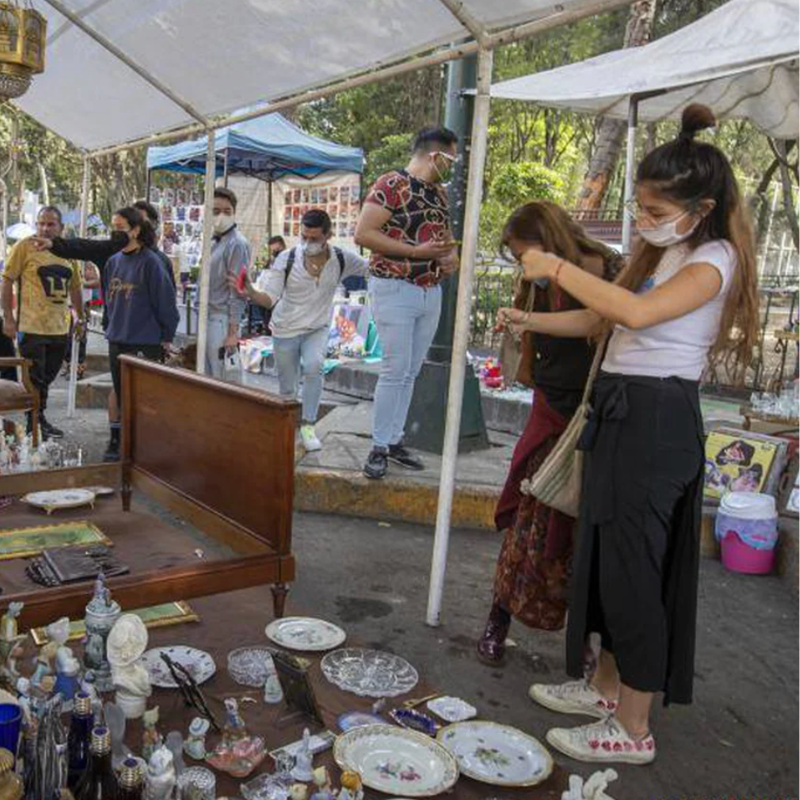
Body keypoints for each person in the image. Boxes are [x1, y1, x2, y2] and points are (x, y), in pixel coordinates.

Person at [499, 105, 757, 764]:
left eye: (652, 208)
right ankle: (607, 687)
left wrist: (555, 267)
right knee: (607, 561)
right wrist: (528, 322)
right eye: (638, 206)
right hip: (620, 411)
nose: (642, 218)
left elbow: (636, 314)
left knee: (635, 572)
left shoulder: (715, 259)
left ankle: (633, 727)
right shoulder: (665, 252)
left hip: (656, 420)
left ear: (700, 206)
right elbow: (599, 321)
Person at [477, 202, 624, 667]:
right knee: (527, 525)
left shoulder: (599, 268)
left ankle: (580, 638)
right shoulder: (535, 280)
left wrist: (529, 321)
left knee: (579, 537)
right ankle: (498, 617)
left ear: (548, 243)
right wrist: (520, 321)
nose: (524, 267)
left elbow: (595, 322)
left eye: (525, 256)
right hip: (549, 408)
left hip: (590, 414)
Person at [355, 126, 460, 480]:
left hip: (431, 289)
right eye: (452, 158)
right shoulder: (391, 184)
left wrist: (450, 258)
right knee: (394, 369)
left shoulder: (439, 194)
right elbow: (364, 233)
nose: (454, 165)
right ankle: (379, 445)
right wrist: (416, 252)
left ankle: (395, 439)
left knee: (410, 371)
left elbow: (443, 239)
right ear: (436, 155)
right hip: (394, 285)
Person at [234, 209, 368, 452]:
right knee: (288, 388)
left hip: (316, 327)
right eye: (304, 236)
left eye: (314, 238)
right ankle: (285, 428)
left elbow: (370, 268)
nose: (308, 243)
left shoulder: (340, 258)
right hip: (285, 329)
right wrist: (251, 291)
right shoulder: (286, 258)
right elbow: (269, 298)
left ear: (328, 235)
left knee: (315, 366)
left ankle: (308, 425)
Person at [102, 207, 179, 461]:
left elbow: (166, 303)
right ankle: (124, 446)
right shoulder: (112, 262)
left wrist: (167, 336)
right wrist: (111, 329)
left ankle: (149, 451)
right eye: (112, 227)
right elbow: (109, 302)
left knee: (147, 401)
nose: (115, 233)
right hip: (118, 340)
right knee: (123, 397)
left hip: (146, 342)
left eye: (120, 228)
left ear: (135, 230)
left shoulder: (151, 262)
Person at [1, 206, 84, 439]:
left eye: (50, 224)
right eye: (41, 223)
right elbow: (6, 281)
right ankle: (34, 422)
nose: (44, 229)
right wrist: (8, 318)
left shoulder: (68, 252)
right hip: (31, 326)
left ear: (61, 227)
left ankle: (40, 418)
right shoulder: (24, 247)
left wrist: (81, 317)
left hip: (59, 327)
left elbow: (75, 287)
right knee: (34, 378)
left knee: (48, 376)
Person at [205, 187, 251, 379]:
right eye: (216, 211)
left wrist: (233, 332)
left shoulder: (237, 244)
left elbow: (238, 290)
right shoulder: (214, 240)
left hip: (222, 321)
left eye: (227, 211)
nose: (221, 216)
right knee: (210, 377)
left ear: (234, 212)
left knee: (224, 379)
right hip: (208, 318)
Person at [62, 261, 100, 380]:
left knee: (79, 336)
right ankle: (68, 365)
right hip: (65, 305)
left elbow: (97, 282)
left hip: (81, 304)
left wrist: (80, 284)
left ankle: (79, 367)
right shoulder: (64, 260)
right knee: (66, 337)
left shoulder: (86, 264)